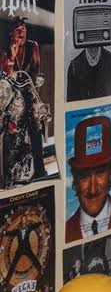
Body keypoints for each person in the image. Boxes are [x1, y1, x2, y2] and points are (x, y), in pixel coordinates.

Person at [1, 17, 46, 180]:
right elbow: (6, 74)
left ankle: (40, 170)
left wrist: (32, 86)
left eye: (24, 29)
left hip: (28, 89)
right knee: (8, 126)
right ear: (11, 33)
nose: (22, 33)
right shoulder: (6, 49)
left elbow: (36, 69)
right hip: (12, 94)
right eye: (18, 30)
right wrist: (12, 55)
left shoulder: (33, 46)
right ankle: (7, 173)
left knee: (35, 123)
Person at [65, 115, 111, 243]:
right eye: (84, 176)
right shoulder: (65, 232)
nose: (93, 189)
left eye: (100, 173)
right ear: (75, 180)